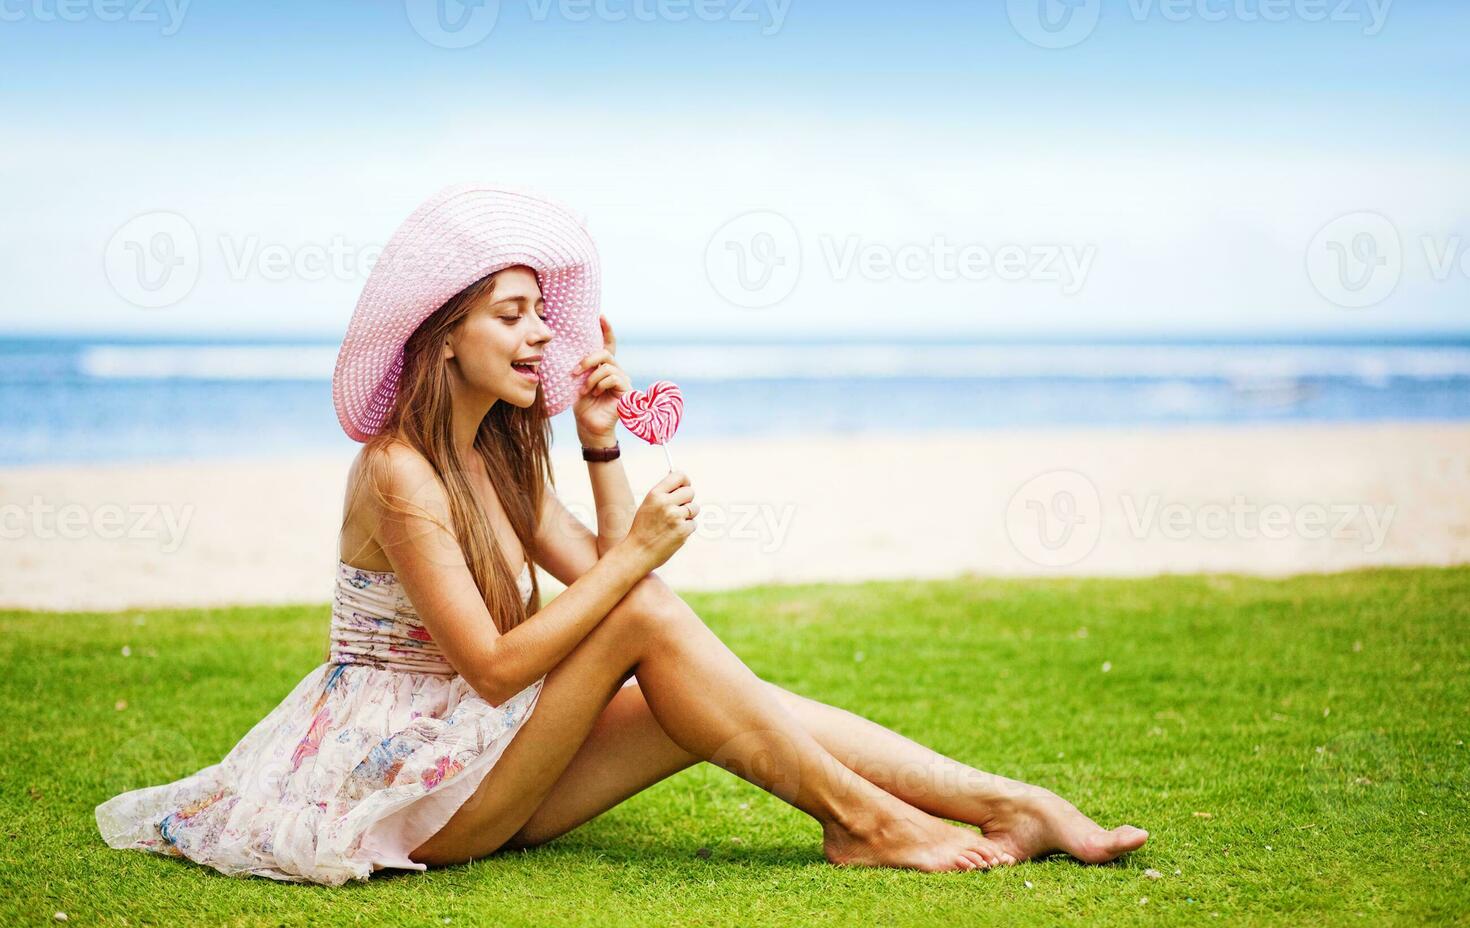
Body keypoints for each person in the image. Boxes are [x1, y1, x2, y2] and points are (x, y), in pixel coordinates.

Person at [95, 185, 1147, 886]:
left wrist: (600, 447)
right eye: (510, 314)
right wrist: (637, 558)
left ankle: (1009, 802)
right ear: (445, 338)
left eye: (538, 314)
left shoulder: (497, 461)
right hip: (413, 790)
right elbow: (502, 665)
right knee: (651, 614)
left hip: (485, 750)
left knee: (716, 688)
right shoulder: (396, 470)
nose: (541, 333)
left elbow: (608, 583)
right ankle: (870, 823)